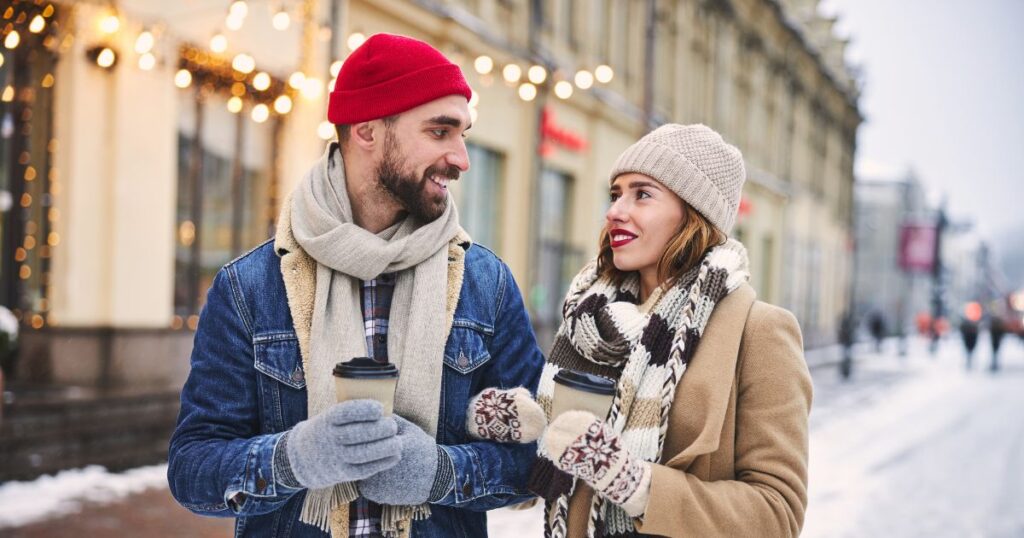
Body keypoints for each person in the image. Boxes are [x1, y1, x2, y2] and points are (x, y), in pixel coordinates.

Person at [167, 33, 545, 538]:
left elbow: (537, 456)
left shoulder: (485, 282)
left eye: (463, 135)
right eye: (440, 132)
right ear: (367, 131)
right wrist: (291, 460)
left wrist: (440, 473)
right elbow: (193, 468)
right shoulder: (250, 287)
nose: (461, 158)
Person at [469, 124, 813, 537]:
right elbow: (560, 471)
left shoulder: (758, 332)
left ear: (693, 212)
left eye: (642, 194)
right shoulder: (592, 322)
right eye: (615, 194)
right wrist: (526, 434)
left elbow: (778, 515)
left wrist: (636, 484)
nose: (615, 210)